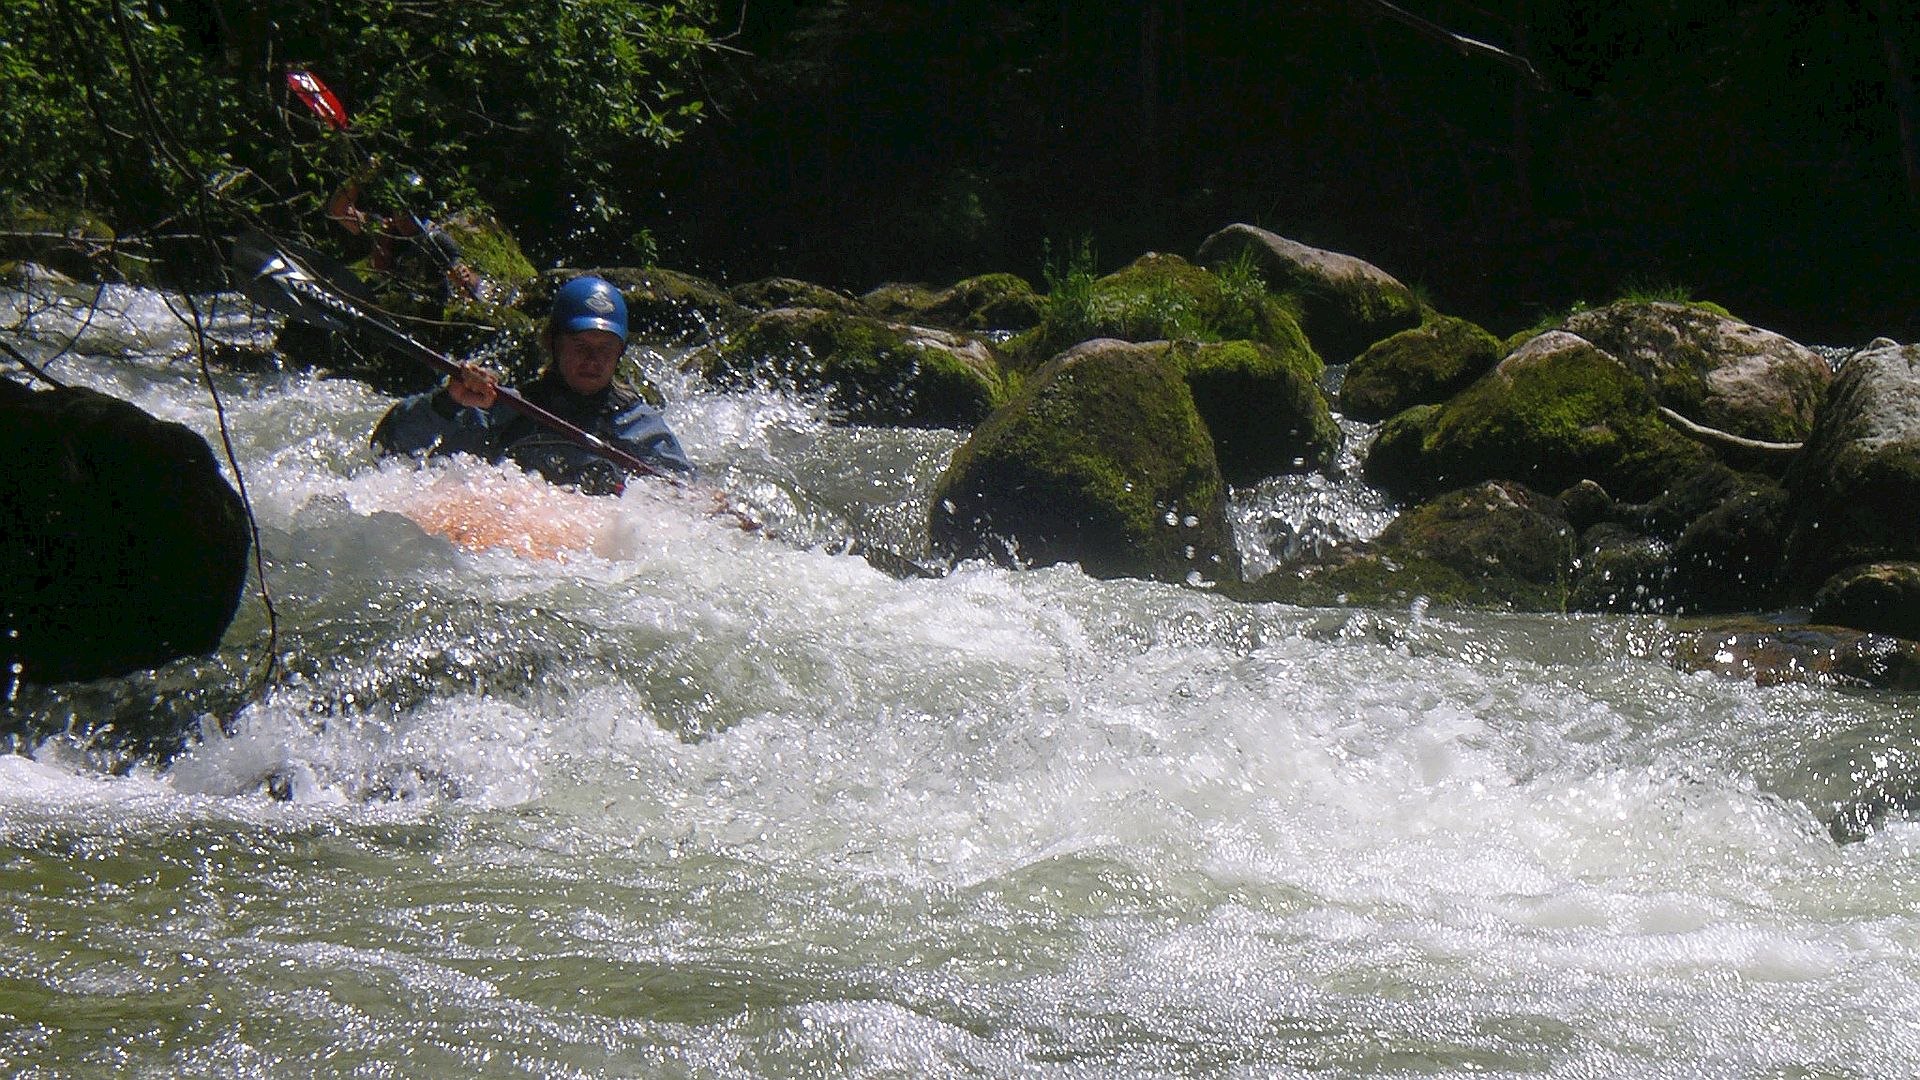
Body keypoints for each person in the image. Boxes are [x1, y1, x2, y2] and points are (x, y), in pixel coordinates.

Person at [372, 275, 695, 495]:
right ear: (553, 344)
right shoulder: (500, 411)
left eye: (606, 348)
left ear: (620, 353)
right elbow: (388, 449)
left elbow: (682, 498)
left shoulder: (640, 427)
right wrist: (447, 401)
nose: (593, 359)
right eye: (581, 346)